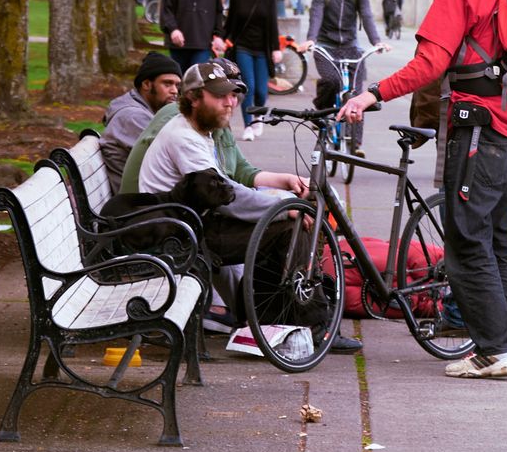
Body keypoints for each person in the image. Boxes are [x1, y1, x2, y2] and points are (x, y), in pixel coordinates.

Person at [340, 0, 507, 380]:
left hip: (477, 131)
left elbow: (429, 64)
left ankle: (492, 350)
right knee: (500, 241)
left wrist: (372, 93)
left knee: (466, 242)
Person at [135, 61, 361, 354]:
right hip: (180, 233)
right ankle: (312, 327)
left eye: (232, 95)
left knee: (292, 222)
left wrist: (283, 193)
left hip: (194, 223)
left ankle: (268, 319)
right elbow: (227, 199)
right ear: (193, 97)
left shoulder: (200, 130)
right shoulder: (184, 138)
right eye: (220, 96)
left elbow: (230, 185)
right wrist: (283, 207)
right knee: (290, 227)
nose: (230, 102)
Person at [300, 0, 387, 156]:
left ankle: (356, 144)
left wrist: (377, 42)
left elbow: (367, 16)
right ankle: (321, 112)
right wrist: (311, 40)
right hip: (326, 47)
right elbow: (316, 16)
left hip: (351, 48)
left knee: (357, 95)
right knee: (331, 81)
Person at [99, 52, 183, 189]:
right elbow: (171, 158)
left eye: (177, 85)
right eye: (167, 84)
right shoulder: (133, 117)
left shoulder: (142, 110)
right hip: (138, 203)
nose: (174, 91)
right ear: (146, 84)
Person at [223, 0, 281, 142]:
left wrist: (275, 49)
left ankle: (257, 116)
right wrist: (221, 39)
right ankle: (247, 125)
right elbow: (230, 24)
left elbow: (273, 24)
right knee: (247, 86)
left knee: (261, 91)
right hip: (242, 47)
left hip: (262, 49)